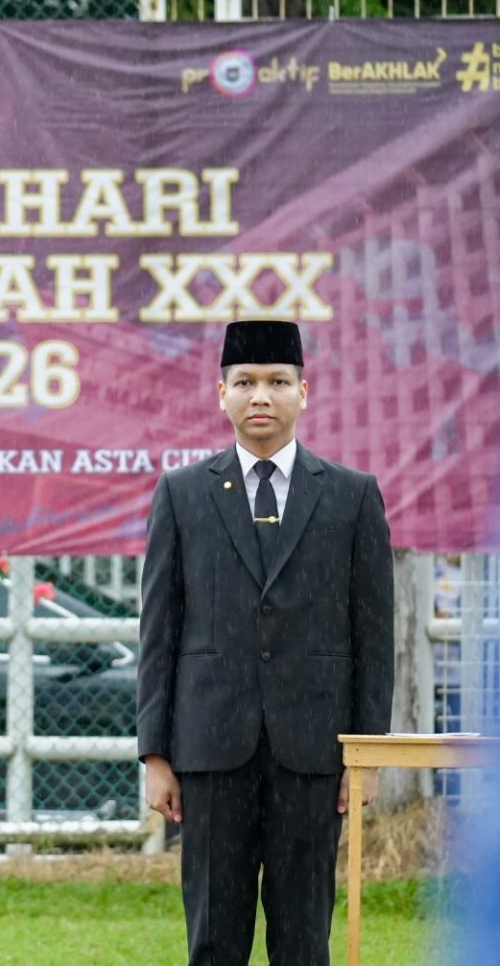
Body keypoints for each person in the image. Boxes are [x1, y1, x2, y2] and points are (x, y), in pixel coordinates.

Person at [136, 319, 394, 966]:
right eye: (245, 382)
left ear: (303, 393)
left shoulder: (351, 496)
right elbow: (159, 629)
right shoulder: (183, 494)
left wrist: (364, 754)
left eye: (278, 382)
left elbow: (373, 632)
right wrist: (155, 753)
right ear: (220, 393)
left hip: (313, 751)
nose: (261, 396)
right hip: (210, 749)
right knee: (214, 936)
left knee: (303, 936)